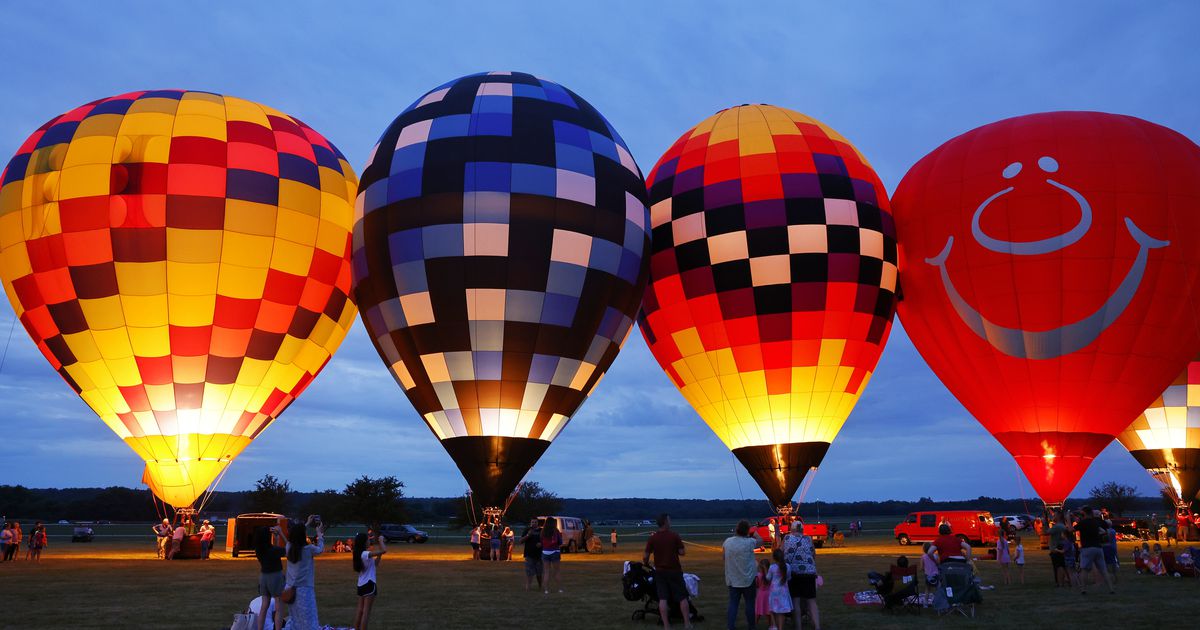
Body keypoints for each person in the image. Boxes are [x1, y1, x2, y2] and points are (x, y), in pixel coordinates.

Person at [644, 514, 692, 629]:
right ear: (665, 522)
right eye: (669, 520)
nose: (671, 522)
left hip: (660, 572)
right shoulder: (674, 536)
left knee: (663, 598)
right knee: (682, 597)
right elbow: (682, 552)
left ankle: (666, 626)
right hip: (675, 571)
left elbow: (645, 556)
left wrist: (646, 564)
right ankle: (687, 624)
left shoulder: (653, 538)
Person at [284, 515, 327, 630]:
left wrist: (306, 524)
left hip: (290, 588)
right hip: (305, 588)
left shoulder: (289, 547)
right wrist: (319, 534)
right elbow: (320, 549)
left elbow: (296, 533)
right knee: (309, 618)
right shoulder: (308, 549)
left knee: (294, 617)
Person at [780, 516, 820, 630]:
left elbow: (780, 553)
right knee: (811, 601)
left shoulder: (787, 538)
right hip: (809, 574)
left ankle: (798, 627)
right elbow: (813, 555)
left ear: (791, 529)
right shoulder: (808, 539)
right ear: (802, 529)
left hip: (794, 574)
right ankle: (817, 627)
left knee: (796, 601)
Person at [722, 519, 760, 630]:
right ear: (747, 531)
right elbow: (761, 541)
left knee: (733, 604)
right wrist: (754, 532)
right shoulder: (749, 542)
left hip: (733, 579)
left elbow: (724, 557)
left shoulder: (728, 541)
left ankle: (731, 626)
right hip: (748, 579)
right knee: (749, 603)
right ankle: (751, 626)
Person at [255, 525, 287, 630]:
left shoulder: (259, 550)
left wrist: (276, 538)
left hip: (263, 577)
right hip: (275, 577)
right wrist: (281, 533)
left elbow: (275, 551)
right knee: (279, 607)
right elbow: (289, 548)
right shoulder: (273, 550)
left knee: (264, 607)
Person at [353, 532, 387, 630]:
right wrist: (381, 540)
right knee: (366, 612)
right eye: (368, 539)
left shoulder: (360, 553)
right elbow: (384, 550)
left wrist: (379, 555)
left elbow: (375, 564)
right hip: (369, 584)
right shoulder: (365, 554)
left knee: (360, 610)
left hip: (361, 584)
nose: (369, 541)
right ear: (364, 542)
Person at [767, 548, 791, 630]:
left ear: (774, 558)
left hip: (774, 591)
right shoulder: (787, 566)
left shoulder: (772, 567)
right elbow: (789, 577)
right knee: (781, 611)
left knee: (773, 608)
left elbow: (768, 578)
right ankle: (780, 628)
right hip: (784, 592)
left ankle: (774, 626)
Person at [519, 519, 543, 591]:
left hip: (539, 555)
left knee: (539, 573)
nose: (534, 523)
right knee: (529, 572)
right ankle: (528, 587)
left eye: (535, 522)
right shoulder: (527, 530)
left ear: (538, 523)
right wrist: (528, 535)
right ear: (530, 523)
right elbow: (520, 541)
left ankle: (540, 586)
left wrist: (541, 544)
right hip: (529, 554)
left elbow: (546, 541)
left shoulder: (541, 531)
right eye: (532, 522)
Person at [542, 517, 564, 593]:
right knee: (557, 571)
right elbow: (560, 542)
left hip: (545, 552)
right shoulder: (556, 531)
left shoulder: (543, 531)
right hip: (555, 551)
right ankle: (560, 589)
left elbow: (541, 541)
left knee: (546, 571)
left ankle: (546, 590)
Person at [1048, 513, 1070, 586]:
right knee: (1063, 566)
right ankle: (1067, 580)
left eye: (1054, 516)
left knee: (1058, 567)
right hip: (1060, 547)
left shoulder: (1057, 526)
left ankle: (1059, 582)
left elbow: (1046, 532)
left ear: (1058, 517)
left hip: (1056, 549)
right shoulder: (1062, 525)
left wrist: (1045, 523)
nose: (1053, 517)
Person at [754, 559, 770, 628]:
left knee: (758, 611)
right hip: (768, 595)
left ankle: (755, 624)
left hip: (760, 595)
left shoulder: (758, 576)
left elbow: (756, 585)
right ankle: (771, 625)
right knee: (768, 611)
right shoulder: (770, 576)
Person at [1102, 520, 1119, 584]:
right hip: (1113, 547)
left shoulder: (1108, 531)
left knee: (1108, 563)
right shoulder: (1113, 530)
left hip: (1108, 548)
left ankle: (1110, 577)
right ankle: (1114, 576)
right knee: (1113, 561)